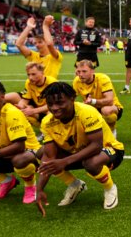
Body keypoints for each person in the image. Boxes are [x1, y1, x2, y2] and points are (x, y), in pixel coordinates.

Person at [35, 82, 124, 213]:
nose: (54, 108)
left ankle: (110, 188)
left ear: (72, 98)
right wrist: (39, 189)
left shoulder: (87, 112)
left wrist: (64, 161)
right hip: (77, 151)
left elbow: (96, 145)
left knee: (91, 163)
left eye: (60, 103)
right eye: (50, 104)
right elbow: (48, 157)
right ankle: (74, 184)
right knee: (41, 153)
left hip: (109, 150)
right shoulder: (47, 122)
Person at [73, 60, 123, 134]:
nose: (81, 74)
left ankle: (112, 132)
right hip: (92, 108)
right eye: (79, 72)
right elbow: (71, 99)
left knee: (106, 110)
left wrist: (92, 101)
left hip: (113, 107)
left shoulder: (102, 78)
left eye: (84, 71)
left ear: (92, 71)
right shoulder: (77, 81)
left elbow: (110, 101)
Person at [17, 62, 57, 128]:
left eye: (33, 74)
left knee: (51, 113)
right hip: (38, 108)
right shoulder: (29, 82)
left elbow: (53, 105)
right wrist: (19, 107)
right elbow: (25, 99)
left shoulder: (52, 83)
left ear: (42, 73)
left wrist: (33, 111)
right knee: (19, 108)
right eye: (28, 74)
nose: (30, 77)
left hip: (49, 109)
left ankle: (47, 130)